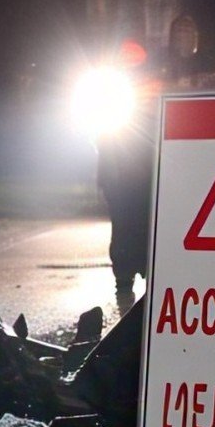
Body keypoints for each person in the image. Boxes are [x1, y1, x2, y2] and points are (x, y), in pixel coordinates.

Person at [93, 38, 159, 296]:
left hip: (145, 169)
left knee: (146, 220)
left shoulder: (150, 87)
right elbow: (101, 132)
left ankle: (147, 270)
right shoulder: (110, 88)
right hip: (117, 169)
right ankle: (123, 275)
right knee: (121, 222)